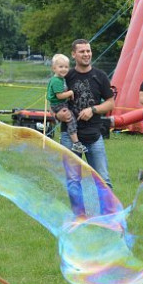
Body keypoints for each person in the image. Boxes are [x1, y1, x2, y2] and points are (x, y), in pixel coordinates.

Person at [62, 40, 116, 216]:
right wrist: (58, 115)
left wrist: (93, 110)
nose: (86, 54)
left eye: (88, 51)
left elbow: (110, 103)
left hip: (94, 135)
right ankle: (79, 216)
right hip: (69, 136)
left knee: (103, 178)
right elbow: (54, 102)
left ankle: (107, 216)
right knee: (73, 180)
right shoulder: (66, 77)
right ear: (73, 54)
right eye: (82, 51)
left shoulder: (100, 76)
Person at [47, 54, 87, 154]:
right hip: (58, 105)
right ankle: (76, 143)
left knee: (70, 118)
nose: (64, 69)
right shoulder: (56, 81)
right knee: (71, 119)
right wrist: (70, 92)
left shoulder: (60, 79)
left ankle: (75, 141)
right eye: (61, 67)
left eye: (66, 67)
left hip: (58, 104)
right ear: (54, 68)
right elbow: (59, 96)